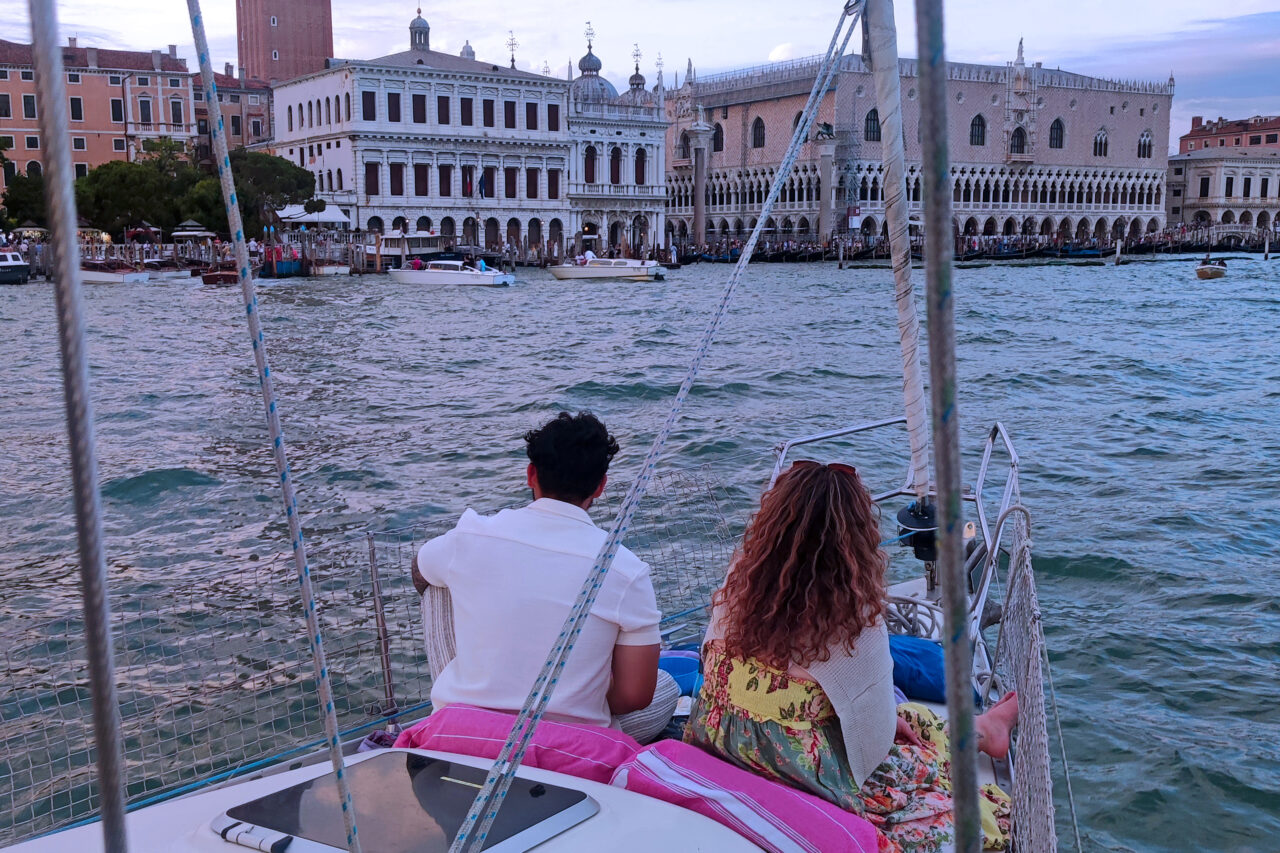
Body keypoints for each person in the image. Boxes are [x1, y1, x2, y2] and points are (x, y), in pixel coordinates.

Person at [686, 461, 1017, 852]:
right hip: (796, 773)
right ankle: (982, 731)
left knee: (903, 721)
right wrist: (886, 723)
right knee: (913, 738)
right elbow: (875, 735)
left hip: (718, 741)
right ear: (855, 538)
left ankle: (983, 730)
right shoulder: (852, 615)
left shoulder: (739, 582)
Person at [412, 412, 668, 735]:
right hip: (570, 743)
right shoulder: (625, 569)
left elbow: (418, 568)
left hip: (467, 730)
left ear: (531, 474)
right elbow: (635, 695)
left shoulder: (470, 536)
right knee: (667, 687)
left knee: (435, 584)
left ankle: (460, 694)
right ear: (601, 486)